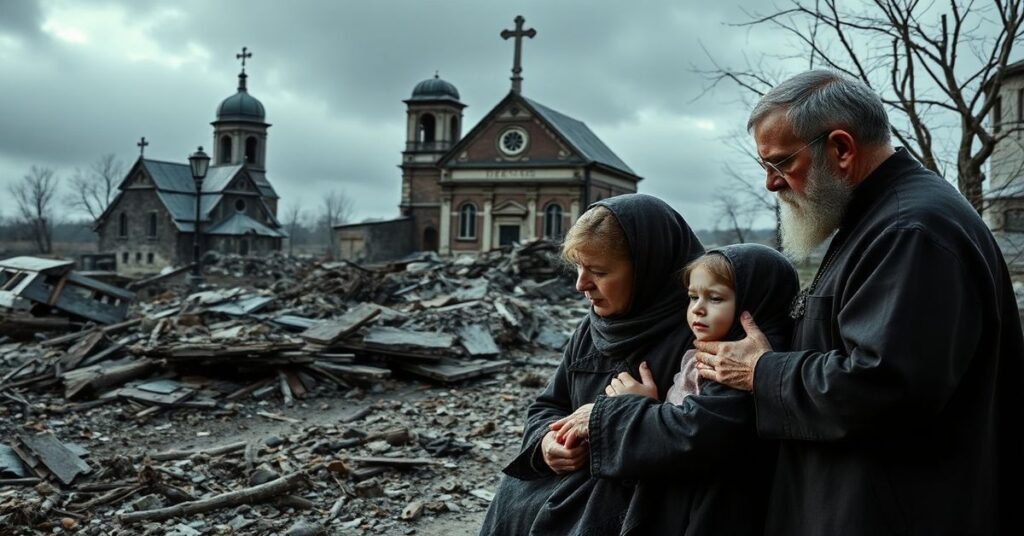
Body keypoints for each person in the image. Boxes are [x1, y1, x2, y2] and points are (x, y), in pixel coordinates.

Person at [687, 70, 1024, 534]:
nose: (771, 184)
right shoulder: (878, 218)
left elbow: (884, 386)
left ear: (841, 150)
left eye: (781, 164)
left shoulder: (912, 231)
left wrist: (761, 371)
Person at [479, 193, 707, 535]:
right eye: (578, 267)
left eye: (598, 271)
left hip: (640, 501)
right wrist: (546, 445)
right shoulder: (592, 327)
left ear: (649, 267)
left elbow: (707, 436)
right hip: (568, 483)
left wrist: (633, 414)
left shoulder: (701, 332)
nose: (580, 284)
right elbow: (548, 404)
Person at [548, 244, 798, 534]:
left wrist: (630, 410)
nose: (697, 310)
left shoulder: (743, 361)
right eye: (692, 297)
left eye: (715, 298)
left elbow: (700, 430)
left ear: (754, 304)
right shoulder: (704, 349)